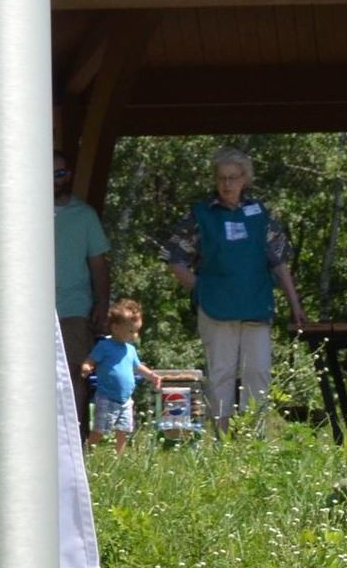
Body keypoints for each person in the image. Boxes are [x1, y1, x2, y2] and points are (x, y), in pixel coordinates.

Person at [163, 148, 309, 429]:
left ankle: (254, 438)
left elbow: (279, 262)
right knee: (221, 373)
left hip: (256, 304)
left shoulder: (260, 215)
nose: (227, 184)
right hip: (216, 308)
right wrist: (201, 288)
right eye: (221, 178)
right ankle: (222, 440)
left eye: (233, 178)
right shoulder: (201, 215)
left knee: (258, 371)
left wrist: (295, 305)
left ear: (245, 179)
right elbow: (175, 259)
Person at [54, 150, 111, 418]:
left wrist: (102, 304)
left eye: (60, 173)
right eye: (50, 173)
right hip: (28, 309)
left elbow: (99, 265)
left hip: (74, 308)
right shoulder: (21, 210)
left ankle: (75, 439)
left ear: (69, 176)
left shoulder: (84, 215)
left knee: (75, 372)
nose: (55, 179)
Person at [81, 298, 161, 451]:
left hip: (125, 399)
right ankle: (88, 451)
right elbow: (91, 359)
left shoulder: (130, 349)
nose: (135, 335)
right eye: (131, 331)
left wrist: (152, 376)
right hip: (107, 396)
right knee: (100, 429)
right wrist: (87, 366)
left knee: (123, 430)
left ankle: (119, 458)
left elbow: (137, 367)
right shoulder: (104, 345)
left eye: (137, 331)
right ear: (116, 328)